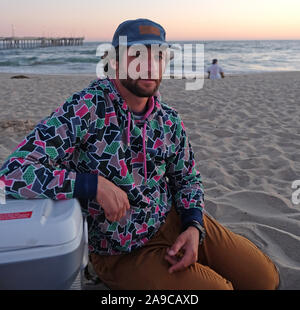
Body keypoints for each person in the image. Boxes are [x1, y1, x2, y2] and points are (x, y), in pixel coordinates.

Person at [0, 18, 279, 290]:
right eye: (137, 56)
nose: (150, 66)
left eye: (159, 56)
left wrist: (193, 225)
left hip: (173, 219)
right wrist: (92, 185)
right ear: (115, 62)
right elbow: (12, 173)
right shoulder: (85, 108)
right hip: (120, 249)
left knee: (264, 279)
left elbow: (187, 178)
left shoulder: (168, 119)